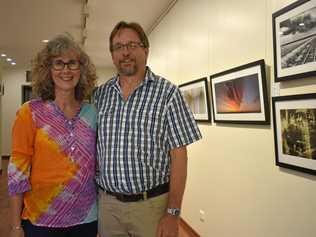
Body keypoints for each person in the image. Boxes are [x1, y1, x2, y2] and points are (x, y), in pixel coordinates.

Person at [94, 21, 202, 237]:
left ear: (146, 49)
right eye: (118, 47)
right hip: (108, 207)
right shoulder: (100, 95)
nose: (125, 52)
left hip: (151, 207)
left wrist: (173, 213)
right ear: (112, 54)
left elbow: (179, 156)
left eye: (132, 45)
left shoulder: (168, 94)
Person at [8, 34, 98, 237]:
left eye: (72, 63)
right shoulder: (29, 112)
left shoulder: (93, 113)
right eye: (58, 63)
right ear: (48, 70)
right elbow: (17, 172)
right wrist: (15, 226)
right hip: (41, 221)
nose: (66, 69)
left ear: (81, 69)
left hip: (86, 220)